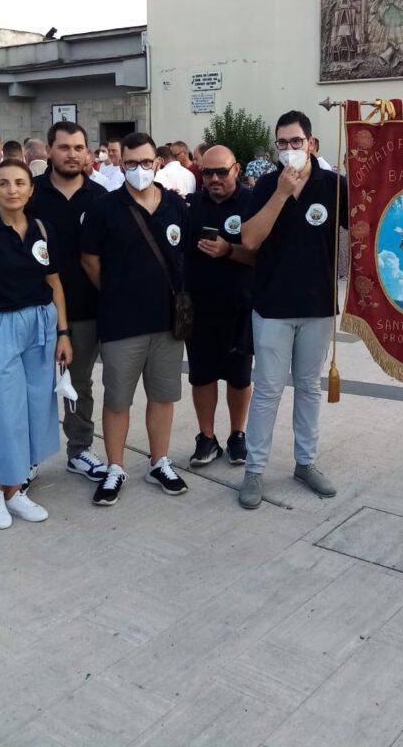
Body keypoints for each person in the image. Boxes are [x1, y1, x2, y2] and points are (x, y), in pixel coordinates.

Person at [0, 159, 72, 529]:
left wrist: (64, 333)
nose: (12, 190)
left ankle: (15, 489)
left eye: (20, 182)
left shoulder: (42, 229)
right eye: (3, 183)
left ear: (31, 188)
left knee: (36, 408)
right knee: (1, 413)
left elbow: (54, 283)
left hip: (39, 325)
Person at [237, 110, 347, 509]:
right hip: (272, 307)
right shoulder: (265, 185)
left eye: (295, 142)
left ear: (311, 144)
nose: (289, 150)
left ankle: (306, 462)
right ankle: (255, 469)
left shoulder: (333, 185)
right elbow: (249, 239)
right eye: (282, 143)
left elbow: (367, 223)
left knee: (309, 388)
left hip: (317, 305)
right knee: (266, 391)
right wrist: (281, 194)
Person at [81, 132, 189, 506]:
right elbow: (89, 260)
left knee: (163, 396)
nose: (139, 169)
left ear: (157, 162)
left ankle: (159, 461)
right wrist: (116, 293)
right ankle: (115, 467)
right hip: (121, 322)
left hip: (166, 322)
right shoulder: (103, 208)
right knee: (117, 400)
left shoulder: (175, 206)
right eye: (131, 163)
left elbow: (184, 254)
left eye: (146, 162)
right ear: (120, 163)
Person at [31, 121, 109, 482]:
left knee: (78, 385)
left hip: (85, 310)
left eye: (79, 147)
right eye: (64, 147)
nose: (72, 154)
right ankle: (26, 456)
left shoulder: (101, 198)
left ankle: (79, 450)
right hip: (33, 309)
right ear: (49, 151)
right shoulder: (30, 196)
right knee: (32, 385)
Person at [185, 145, 256, 467]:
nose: (213, 178)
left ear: (236, 169)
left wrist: (229, 251)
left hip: (240, 305)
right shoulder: (189, 206)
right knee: (202, 376)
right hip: (199, 307)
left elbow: (262, 256)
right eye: (207, 172)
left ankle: (238, 435)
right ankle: (207, 437)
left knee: (239, 377)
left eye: (221, 172)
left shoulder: (252, 203)